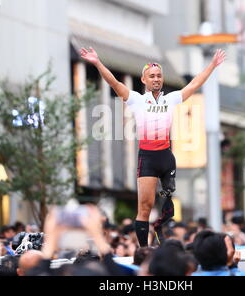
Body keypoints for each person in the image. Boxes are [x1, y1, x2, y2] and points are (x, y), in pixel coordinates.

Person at [80, 47, 226, 247]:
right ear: (144, 80)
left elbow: (195, 84)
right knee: (145, 206)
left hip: (166, 157)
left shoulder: (170, 99)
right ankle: (143, 248)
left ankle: (164, 240)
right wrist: (97, 62)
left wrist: (212, 65)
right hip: (148, 158)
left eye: (159, 76)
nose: (156, 79)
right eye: (152, 76)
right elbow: (114, 83)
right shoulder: (137, 100)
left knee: (168, 207)